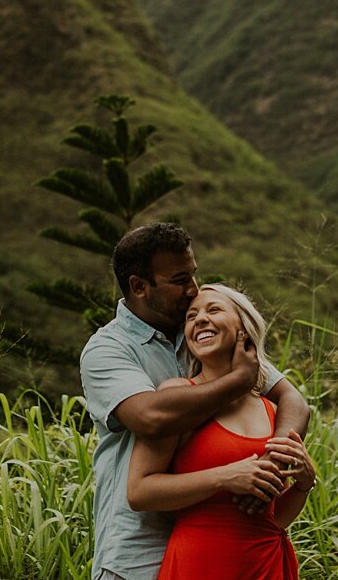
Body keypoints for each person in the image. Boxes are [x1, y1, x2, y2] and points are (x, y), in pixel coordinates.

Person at [81, 223, 311, 580]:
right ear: (139, 287)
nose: (193, 291)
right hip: (136, 552)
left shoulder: (203, 336)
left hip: (223, 552)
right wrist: (237, 380)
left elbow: (292, 398)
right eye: (179, 280)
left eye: (193, 275)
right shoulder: (108, 349)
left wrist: (274, 461)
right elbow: (151, 418)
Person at [126, 284, 316, 580]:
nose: (199, 319)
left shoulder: (273, 412)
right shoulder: (177, 396)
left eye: (213, 309)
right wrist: (226, 476)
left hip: (267, 563)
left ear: (245, 327)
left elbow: (273, 518)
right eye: (191, 316)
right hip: (200, 563)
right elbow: (140, 492)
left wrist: (304, 482)